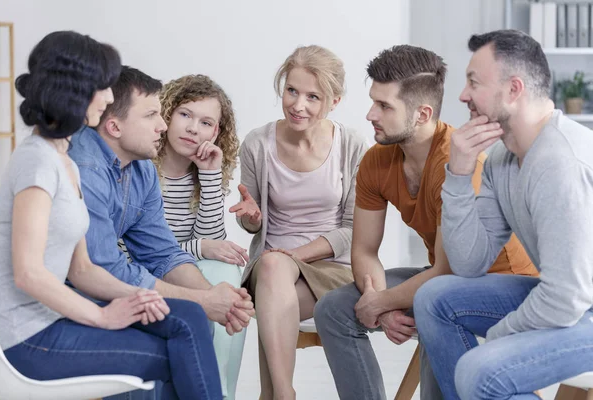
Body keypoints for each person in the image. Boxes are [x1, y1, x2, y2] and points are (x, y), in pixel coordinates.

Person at [0, 31, 221, 400]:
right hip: (26, 338)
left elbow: (82, 269)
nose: (110, 96)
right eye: (103, 87)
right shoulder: (37, 161)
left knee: (187, 322)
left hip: (50, 322)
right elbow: (28, 273)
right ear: (77, 91)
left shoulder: (63, 160)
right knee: (173, 355)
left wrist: (138, 297)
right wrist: (101, 317)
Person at [313, 45, 538, 400]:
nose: (371, 113)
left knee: (437, 303)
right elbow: (365, 249)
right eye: (374, 101)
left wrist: (386, 301)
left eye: (385, 106)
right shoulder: (376, 160)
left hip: (501, 284)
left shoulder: (459, 163)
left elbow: (451, 273)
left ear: (422, 113)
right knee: (334, 308)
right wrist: (376, 299)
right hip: (442, 278)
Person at [413, 29, 593, 400]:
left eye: (473, 83)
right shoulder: (502, 159)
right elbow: (468, 263)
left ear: (513, 90)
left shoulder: (559, 162)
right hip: (575, 301)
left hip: (578, 305)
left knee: (479, 370)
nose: (462, 95)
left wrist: (498, 337)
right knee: (434, 298)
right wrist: (459, 174)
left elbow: (565, 299)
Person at [68, 66, 254, 338]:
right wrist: (203, 299)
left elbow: (162, 253)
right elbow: (110, 264)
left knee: (199, 317)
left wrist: (217, 298)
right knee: (190, 321)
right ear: (114, 126)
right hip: (82, 296)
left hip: (130, 282)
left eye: (205, 122)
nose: (164, 126)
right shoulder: (89, 169)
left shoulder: (139, 168)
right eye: (154, 115)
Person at [229, 45, 368, 399]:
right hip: (271, 266)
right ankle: (285, 393)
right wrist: (252, 220)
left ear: (334, 101)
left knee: (274, 299)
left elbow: (355, 229)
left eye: (312, 96)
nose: (298, 105)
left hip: (333, 267)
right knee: (274, 269)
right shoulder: (258, 144)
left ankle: (274, 394)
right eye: (292, 90)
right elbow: (255, 225)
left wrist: (296, 254)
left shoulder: (351, 145)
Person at [154, 74, 247, 399]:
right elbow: (144, 247)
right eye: (185, 115)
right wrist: (200, 246)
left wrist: (209, 175)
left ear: (216, 132)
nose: (193, 128)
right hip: (150, 268)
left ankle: (220, 392)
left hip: (184, 265)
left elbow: (212, 241)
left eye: (206, 122)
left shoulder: (203, 170)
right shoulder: (144, 167)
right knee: (215, 271)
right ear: (167, 114)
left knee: (227, 276)